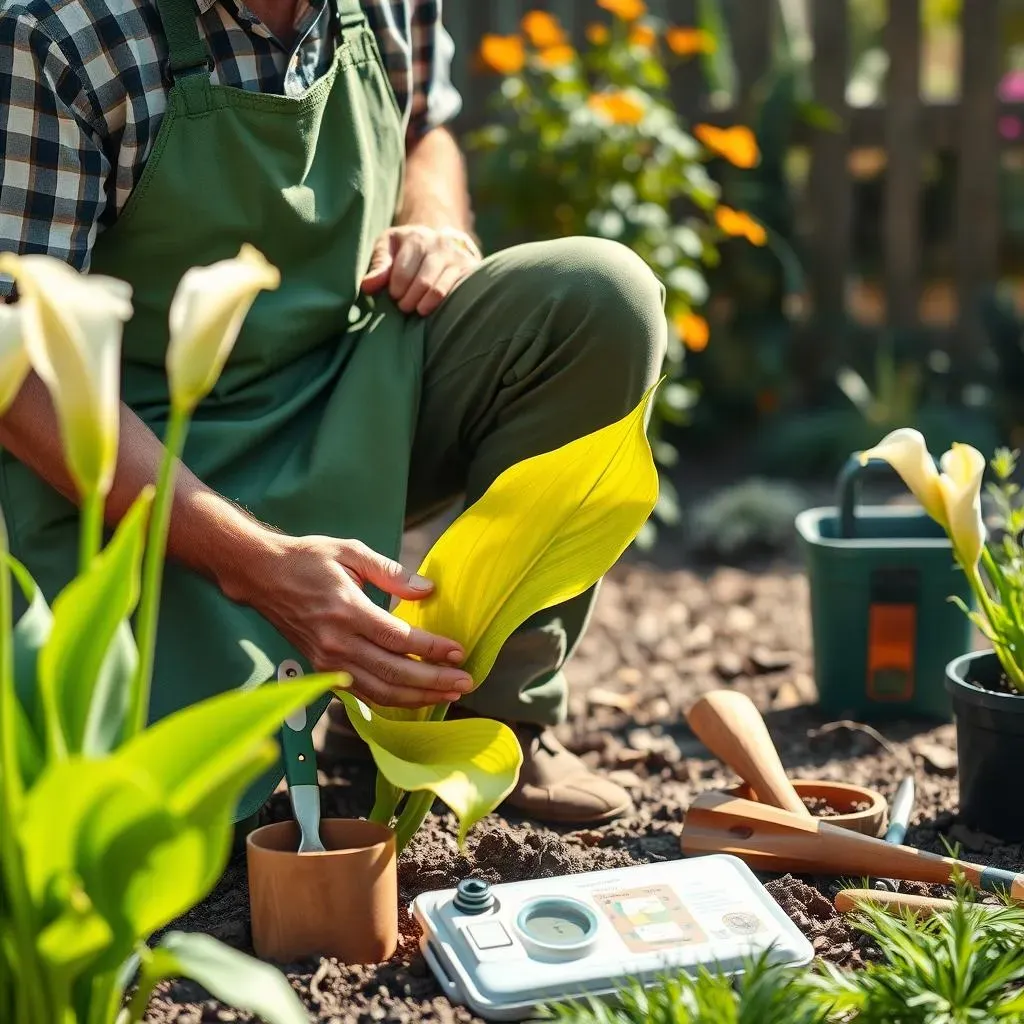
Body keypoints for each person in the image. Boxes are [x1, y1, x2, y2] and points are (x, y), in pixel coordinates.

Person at [0, 0, 666, 828]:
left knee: (601, 300)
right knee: (140, 832)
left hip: (354, 388)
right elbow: (18, 366)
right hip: (133, 463)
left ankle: (466, 716)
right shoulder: (60, 31)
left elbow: (429, 124)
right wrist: (257, 564)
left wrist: (435, 223)